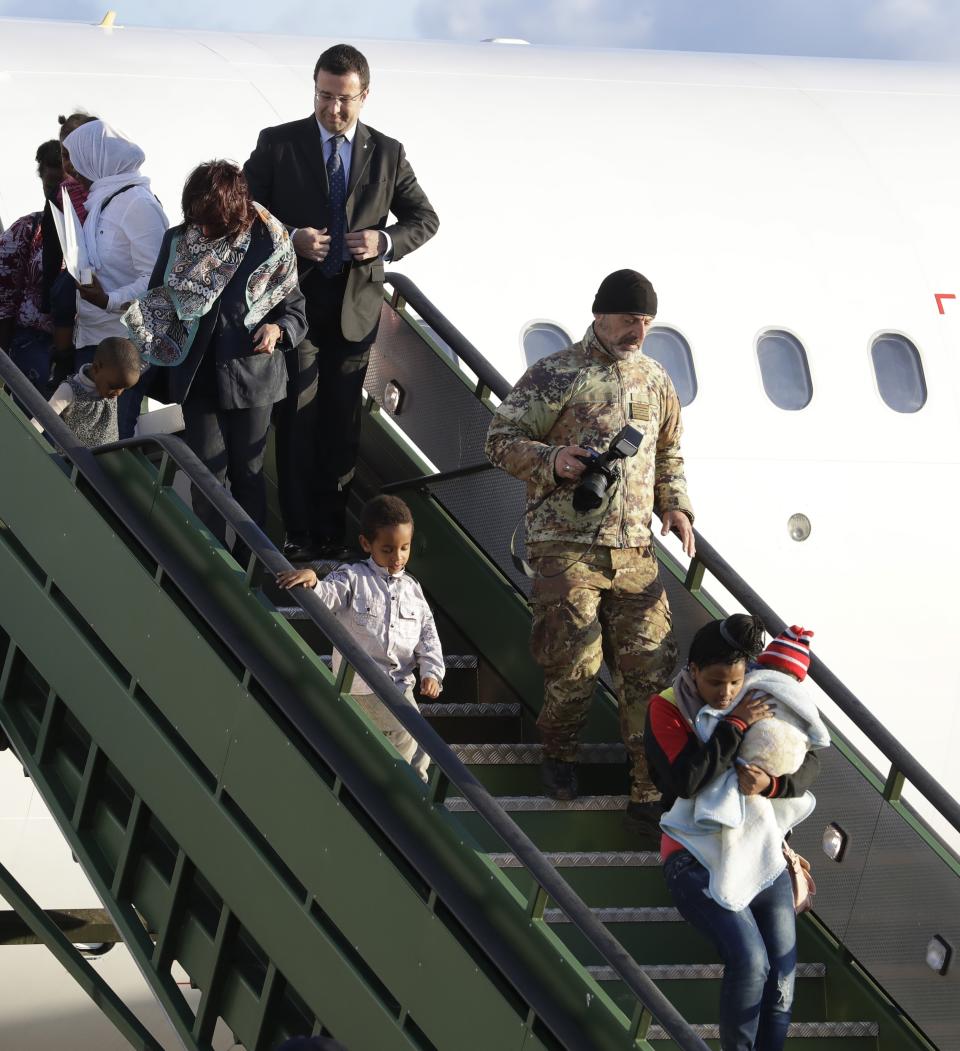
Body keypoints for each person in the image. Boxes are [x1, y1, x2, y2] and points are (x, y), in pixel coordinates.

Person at [484, 269, 695, 828]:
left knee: (649, 671)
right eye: (629, 319)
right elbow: (499, 440)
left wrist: (675, 506)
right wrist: (554, 461)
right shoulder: (556, 375)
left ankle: (647, 791)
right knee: (575, 663)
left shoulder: (656, 380)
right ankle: (559, 756)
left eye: (647, 322)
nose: (638, 331)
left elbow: (670, 451)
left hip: (634, 551)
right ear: (600, 314)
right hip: (566, 545)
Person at [244, 43, 440, 562]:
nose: (333, 110)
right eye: (324, 97)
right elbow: (242, 210)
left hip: (356, 311)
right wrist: (291, 237)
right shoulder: (278, 144)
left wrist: (386, 242)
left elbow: (425, 218)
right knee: (297, 421)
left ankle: (331, 535)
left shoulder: (388, 152)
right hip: (295, 307)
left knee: (341, 427)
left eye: (344, 100)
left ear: (364, 96)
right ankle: (298, 534)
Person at [645, 615, 821, 1051]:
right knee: (750, 960)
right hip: (693, 855)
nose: (725, 692)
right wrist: (735, 725)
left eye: (734, 681)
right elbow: (686, 780)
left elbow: (808, 759)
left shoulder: (758, 696)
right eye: (714, 682)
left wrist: (772, 784)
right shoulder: (667, 706)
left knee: (782, 972)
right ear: (693, 672)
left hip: (760, 852)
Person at [123, 161, 306, 539]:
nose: (204, 230)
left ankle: (251, 576)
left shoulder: (271, 243)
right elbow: (156, 302)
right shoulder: (177, 240)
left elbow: (296, 312)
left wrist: (277, 329)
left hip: (253, 377)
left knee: (249, 479)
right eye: (197, 220)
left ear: (236, 213)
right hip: (198, 378)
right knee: (205, 479)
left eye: (214, 223)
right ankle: (216, 569)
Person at [277, 494, 444, 782]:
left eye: (404, 548)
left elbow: (427, 635)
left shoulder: (413, 590)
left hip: (399, 686)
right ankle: (410, 794)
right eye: (388, 549)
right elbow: (329, 595)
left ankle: (400, 791)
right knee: (411, 737)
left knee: (417, 745)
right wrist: (314, 582)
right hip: (362, 682)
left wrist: (432, 672)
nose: (397, 557)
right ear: (367, 544)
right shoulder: (353, 577)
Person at [61, 118, 168, 438]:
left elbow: (155, 280)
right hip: (94, 341)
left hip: (121, 353)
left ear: (99, 160)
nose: (70, 170)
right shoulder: (104, 200)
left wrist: (109, 299)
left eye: (75, 159)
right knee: (82, 440)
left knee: (111, 444)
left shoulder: (138, 204)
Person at [0, 139, 68, 391]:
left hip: (87, 345)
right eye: (50, 184)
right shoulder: (26, 230)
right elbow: (3, 296)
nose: (57, 193)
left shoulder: (97, 229)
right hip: (34, 342)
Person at [33, 336, 141, 447]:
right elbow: (44, 417)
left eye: (123, 388)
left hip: (107, 457)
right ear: (96, 368)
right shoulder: (70, 390)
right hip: (76, 460)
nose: (118, 393)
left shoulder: (109, 385)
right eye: (114, 386)